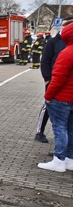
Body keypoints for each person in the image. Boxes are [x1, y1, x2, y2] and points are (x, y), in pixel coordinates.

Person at [37, 23, 73, 172]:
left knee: (60, 128)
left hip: (61, 98)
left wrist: (48, 95)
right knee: (71, 129)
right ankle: (69, 159)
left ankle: (59, 160)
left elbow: (58, 78)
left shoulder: (66, 53)